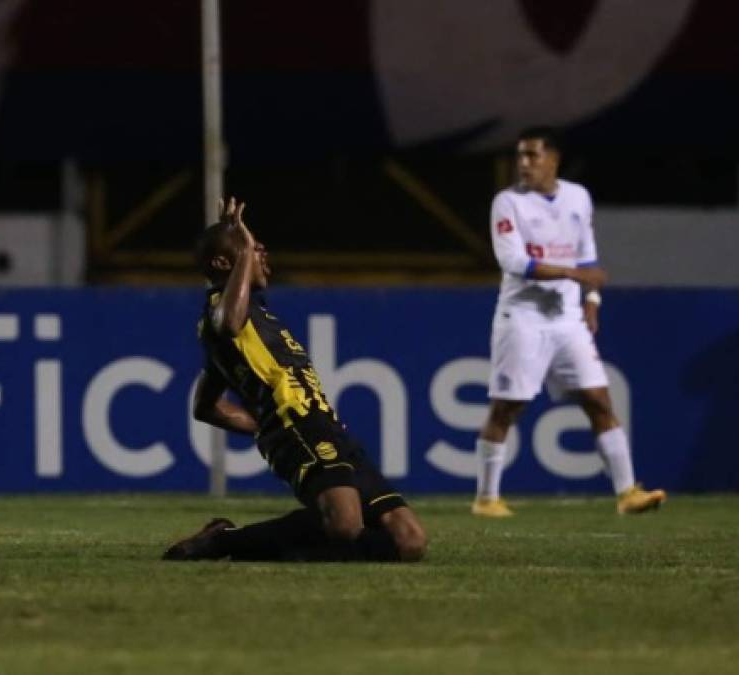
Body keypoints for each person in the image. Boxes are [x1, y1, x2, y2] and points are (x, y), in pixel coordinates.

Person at [162, 198, 427, 563]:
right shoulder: (220, 316)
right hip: (299, 426)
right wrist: (277, 426)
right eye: (252, 251)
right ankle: (227, 542)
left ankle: (286, 546)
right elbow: (227, 324)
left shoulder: (254, 321)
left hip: (329, 429)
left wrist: (260, 426)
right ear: (226, 263)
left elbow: (205, 406)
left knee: (409, 540)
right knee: (345, 526)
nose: (261, 256)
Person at [471, 127, 667, 517]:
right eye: (520, 157)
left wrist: (592, 300)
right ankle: (486, 498)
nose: (524, 164)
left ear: (554, 160)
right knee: (507, 408)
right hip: (522, 318)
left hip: (567, 320)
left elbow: (588, 257)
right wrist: (574, 277)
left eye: (532, 156)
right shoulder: (507, 203)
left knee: (598, 399)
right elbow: (513, 262)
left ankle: (628, 493)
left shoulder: (578, 197)